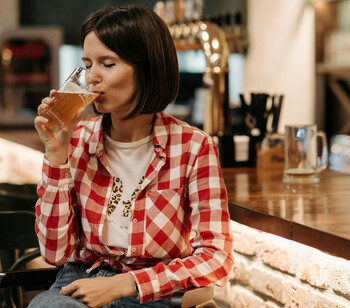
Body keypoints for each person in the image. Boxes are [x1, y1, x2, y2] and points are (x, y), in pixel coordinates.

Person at [29, 5, 233, 308]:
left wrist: (128, 283)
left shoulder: (193, 146)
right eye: (87, 64)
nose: (92, 77)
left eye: (108, 64)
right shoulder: (79, 139)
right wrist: (56, 153)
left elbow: (216, 257)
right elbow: (55, 253)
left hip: (153, 290)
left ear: (148, 67)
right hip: (82, 277)